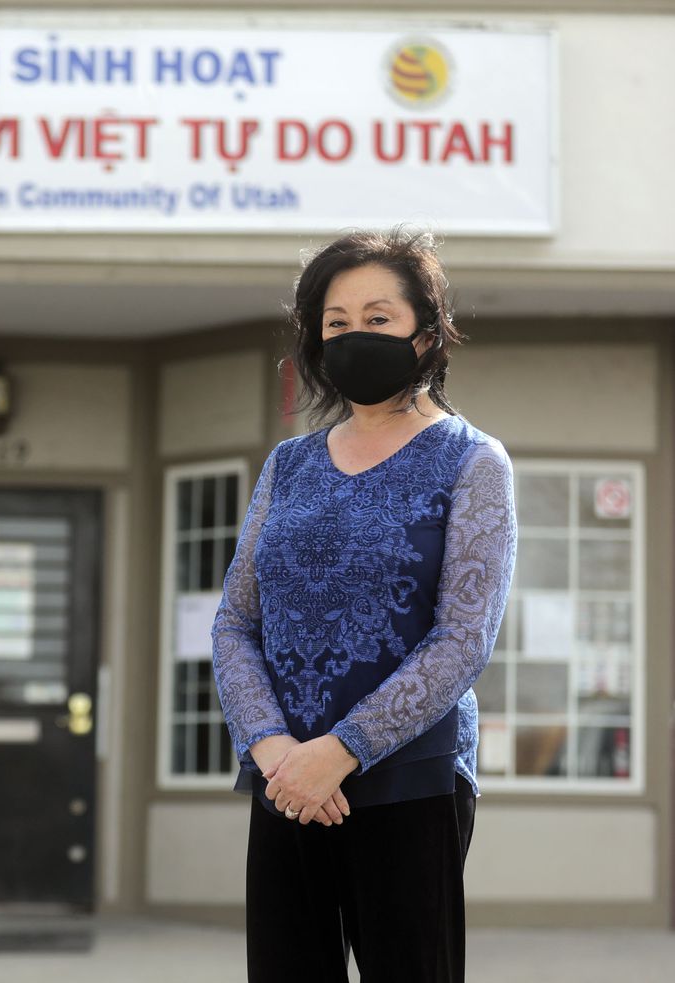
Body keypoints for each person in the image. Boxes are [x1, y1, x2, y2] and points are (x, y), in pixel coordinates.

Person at [211, 229, 516, 982]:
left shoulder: (473, 460)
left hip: (410, 776)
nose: (355, 336)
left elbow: (462, 640)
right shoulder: (289, 463)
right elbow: (234, 621)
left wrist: (339, 751)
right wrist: (275, 749)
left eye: (378, 318)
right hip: (285, 782)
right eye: (336, 323)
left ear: (426, 332)